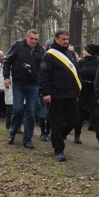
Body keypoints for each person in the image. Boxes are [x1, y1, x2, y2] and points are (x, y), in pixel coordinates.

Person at [38, 29, 81, 161]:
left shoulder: (71, 53)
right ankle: (58, 149)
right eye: (63, 39)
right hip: (56, 95)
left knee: (73, 120)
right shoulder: (49, 55)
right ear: (56, 39)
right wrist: (45, 93)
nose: (66, 42)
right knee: (56, 123)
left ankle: (56, 136)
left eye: (67, 39)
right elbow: (44, 75)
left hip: (71, 94)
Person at [3, 29, 46, 149]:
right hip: (19, 83)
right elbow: (7, 61)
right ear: (27, 37)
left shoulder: (41, 51)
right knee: (18, 109)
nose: (33, 41)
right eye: (31, 38)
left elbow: (44, 69)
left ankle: (27, 139)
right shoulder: (18, 46)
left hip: (33, 85)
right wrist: (6, 77)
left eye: (36, 39)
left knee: (31, 113)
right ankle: (13, 131)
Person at [74, 42, 99, 146]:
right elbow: (76, 74)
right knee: (79, 115)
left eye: (85, 50)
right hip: (82, 91)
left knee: (96, 115)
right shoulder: (81, 62)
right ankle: (77, 135)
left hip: (93, 92)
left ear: (89, 52)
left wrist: (93, 84)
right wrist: (81, 81)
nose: (83, 51)